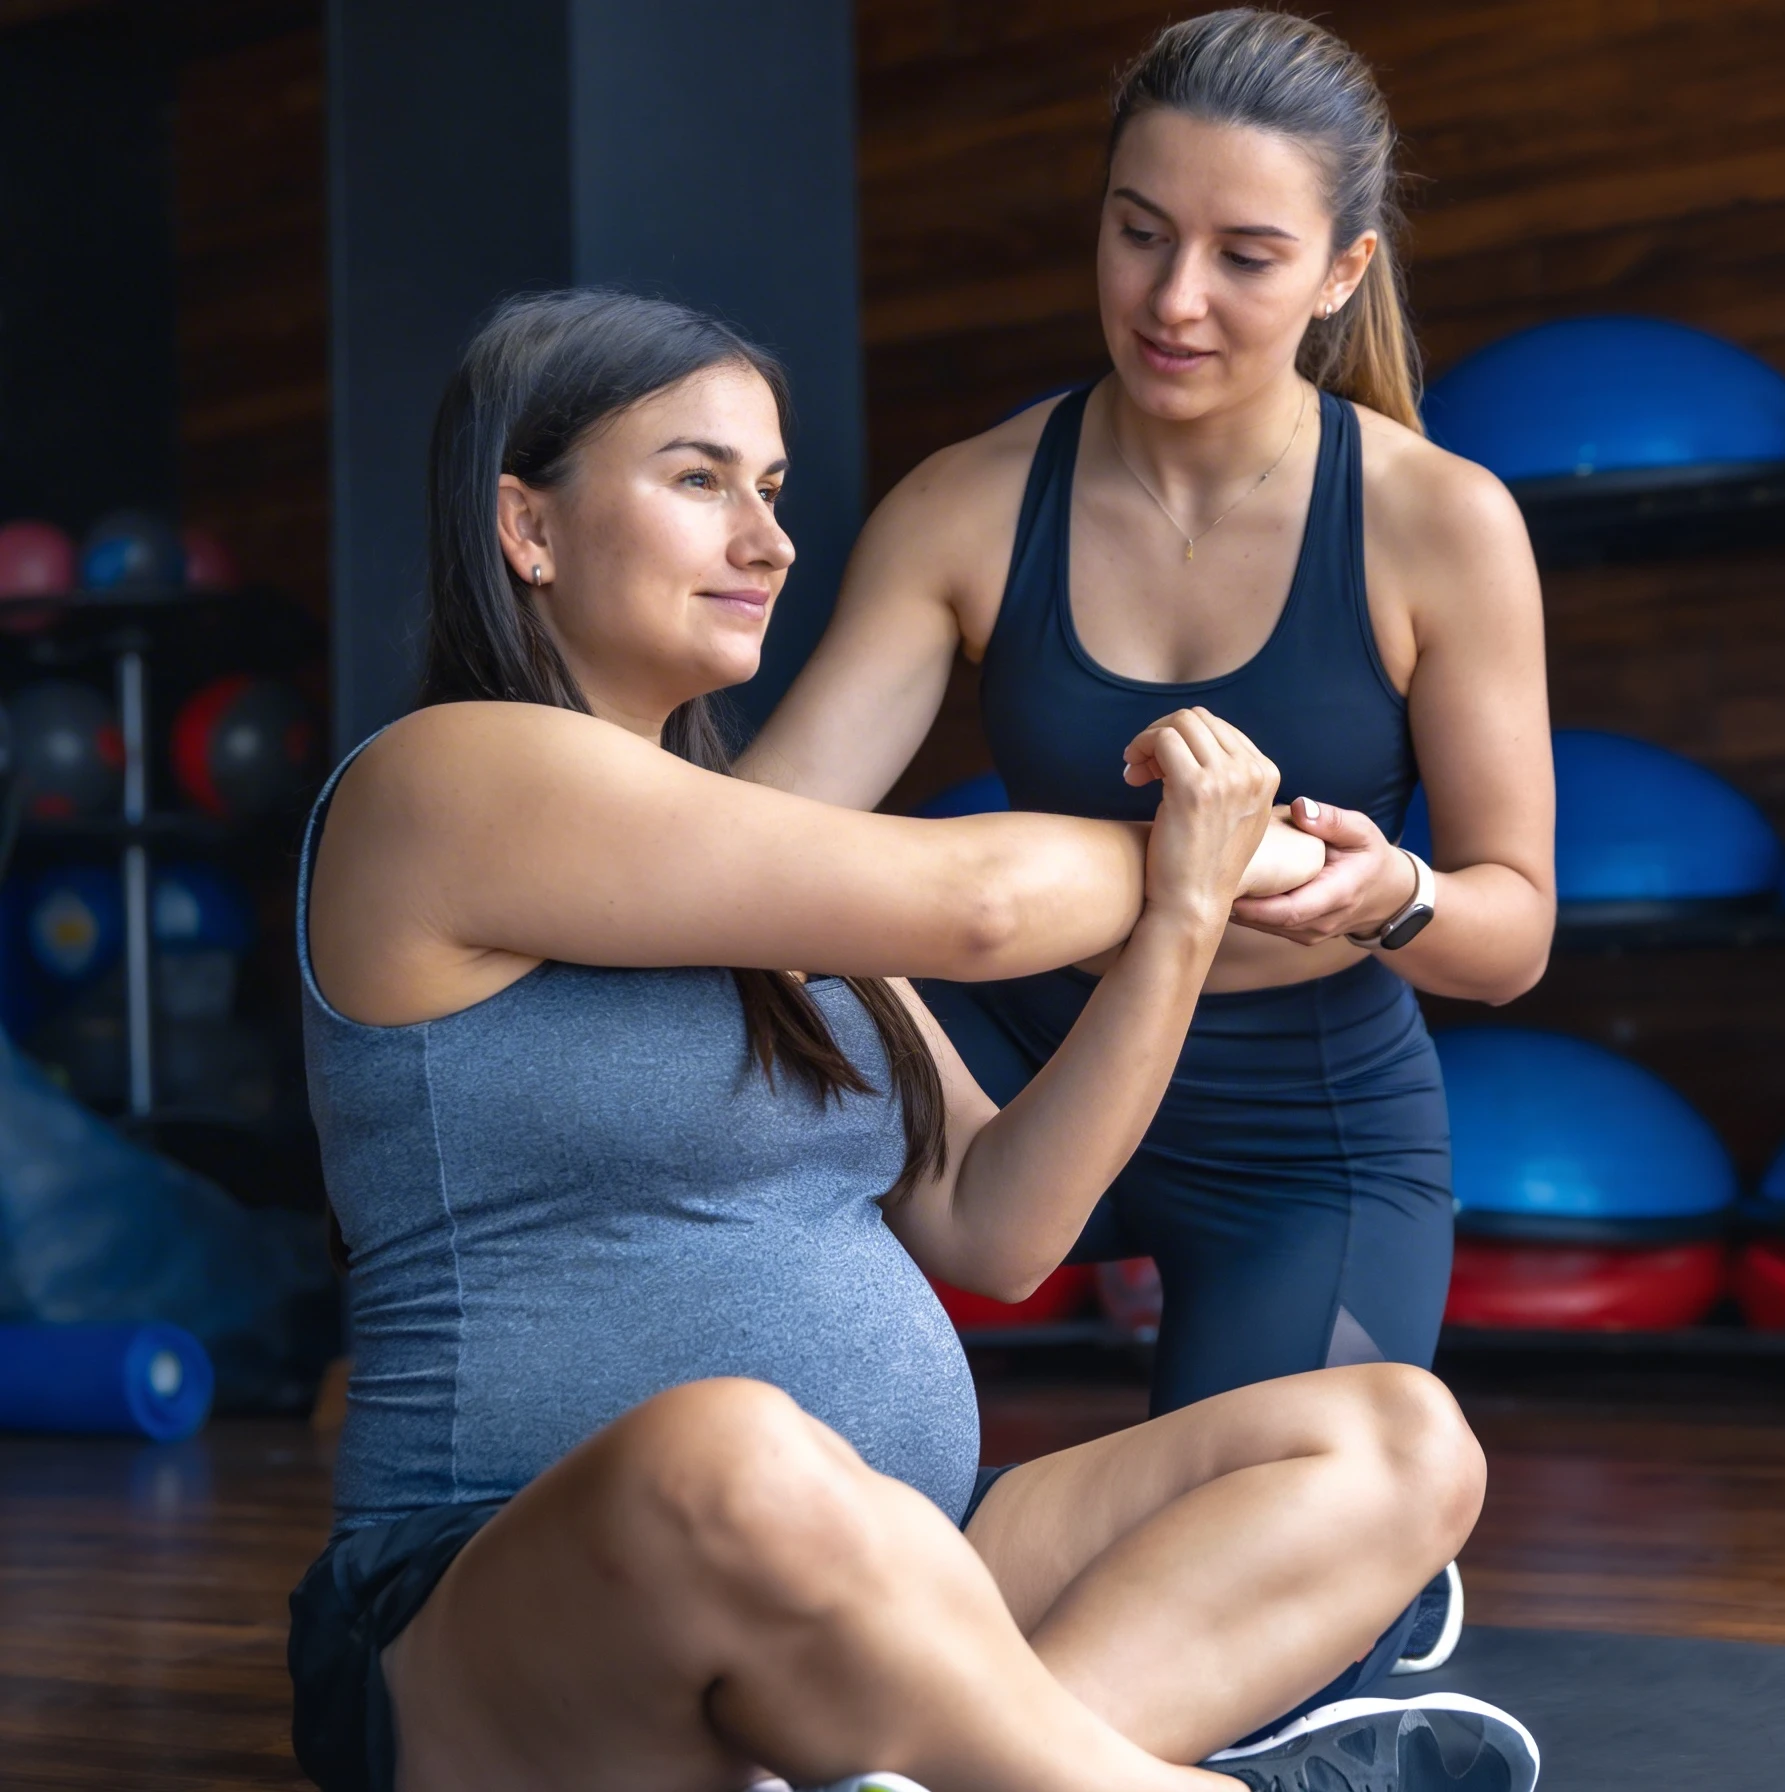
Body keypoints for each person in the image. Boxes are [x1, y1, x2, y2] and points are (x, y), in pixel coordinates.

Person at [286, 288, 1538, 1792]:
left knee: (1400, 1437)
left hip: (909, 1559)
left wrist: (1183, 929)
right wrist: (1240, 855)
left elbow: (1001, 1223)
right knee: (735, 1453)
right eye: (699, 480)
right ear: (527, 527)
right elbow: (983, 909)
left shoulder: (766, 858)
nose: (770, 540)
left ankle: (954, 1769)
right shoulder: (442, 782)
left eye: (772, 489)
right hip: (521, 1606)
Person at [739, 9, 1555, 1670]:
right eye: (1139, 233)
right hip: (1019, 1050)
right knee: (753, 1034)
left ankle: (1336, 1624)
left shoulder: (1436, 521)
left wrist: (1390, 894)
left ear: (1341, 273)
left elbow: (1514, 930)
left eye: (1247, 257)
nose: (1174, 301)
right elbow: (769, 837)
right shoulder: (970, 503)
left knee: (1265, 1552)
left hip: (1299, 1123)